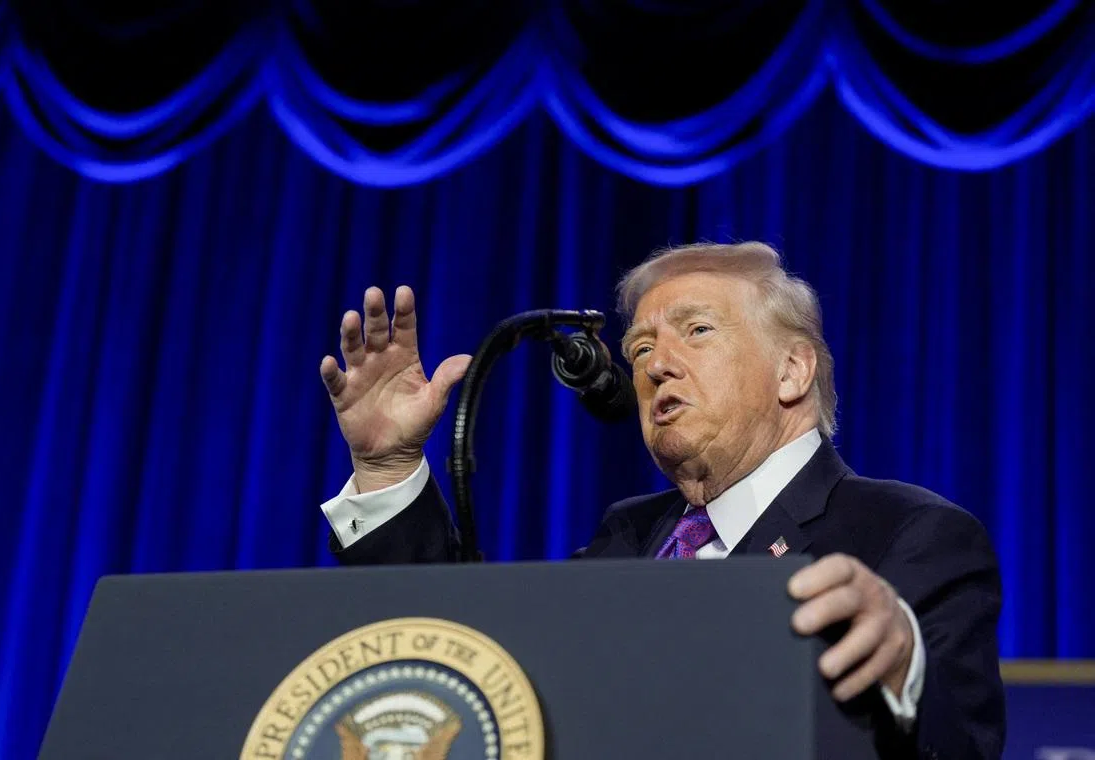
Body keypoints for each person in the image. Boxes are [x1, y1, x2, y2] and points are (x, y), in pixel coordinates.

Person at [318, 242, 1005, 759]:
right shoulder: (627, 536)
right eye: (640, 346)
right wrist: (388, 467)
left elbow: (966, 748)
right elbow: (471, 669)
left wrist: (904, 664)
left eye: (697, 331)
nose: (653, 364)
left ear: (792, 370)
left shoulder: (910, 535)